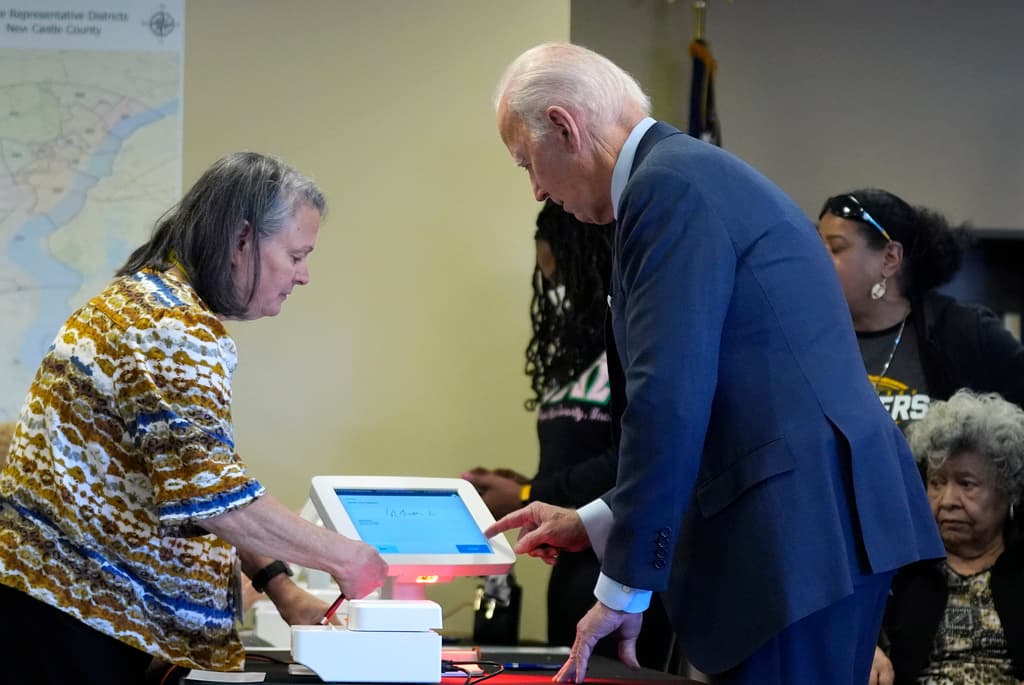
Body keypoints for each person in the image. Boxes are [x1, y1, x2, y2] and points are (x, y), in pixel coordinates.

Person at [484, 42, 944, 685]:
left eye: (528, 162)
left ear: (566, 126)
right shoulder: (684, 176)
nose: (536, 188)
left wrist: (620, 591)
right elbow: (721, 402)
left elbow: (668, 400)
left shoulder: (665, 189)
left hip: (794, 541)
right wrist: (597, 520)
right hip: (803, 536)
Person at [0, 152, 388, 684]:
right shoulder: (170, 325)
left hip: (56, 606)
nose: (304, 276)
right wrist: (346, 557)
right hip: (70, 619)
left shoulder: (145, 302)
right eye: (297, 255)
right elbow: (215, 497)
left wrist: (284, 590)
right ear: (243, 240)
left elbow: (196, 482)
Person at [463, 200, 672, 667]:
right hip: (568, 564)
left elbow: (630, 458)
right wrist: (517, 483)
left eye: (559, 274)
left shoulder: (633, 340)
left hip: (623, 570)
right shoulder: (574, 349)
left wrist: (525, 493)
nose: (553, 287)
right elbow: (573, 455)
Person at [817, 189, 1024, 430]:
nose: (818, 259)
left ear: (890, 258)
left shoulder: (965, 333)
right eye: (817, 247)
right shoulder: (809, 340)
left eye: (836, 248)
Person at [869, 390, 1024, 685]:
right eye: (936, 483)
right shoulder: (902, 572)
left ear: (1008, 491)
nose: (947, 500)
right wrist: (870, 651)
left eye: (967, 484)